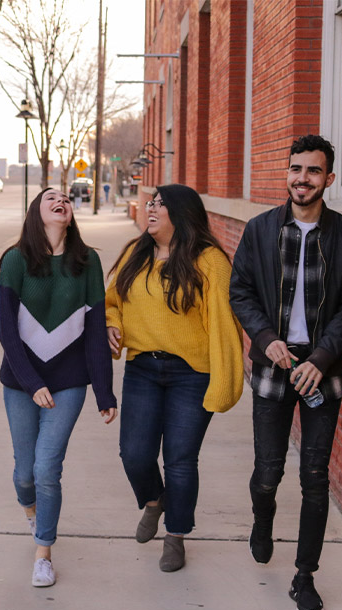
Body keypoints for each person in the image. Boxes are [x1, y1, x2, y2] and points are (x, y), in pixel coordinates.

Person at [230, 135, 342, 610]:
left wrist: (323, 357)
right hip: (274, 363)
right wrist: (265, 337)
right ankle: (262, 519)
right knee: (267, 472)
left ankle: (304, 577)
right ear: (286, 173)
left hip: (321, 369)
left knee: (315, 476)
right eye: (295, 169)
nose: (301, 178)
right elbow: (241, 291)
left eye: (312, 171)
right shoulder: (261, 230)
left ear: (328, 179)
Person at [106, 184, 243, 572]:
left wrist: (224, 382)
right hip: (142, 368)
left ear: (180, 213)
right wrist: (111, 325)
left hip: (192, 374)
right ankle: (154, 501)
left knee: (180, 460)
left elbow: (224, 325)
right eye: (150, 202)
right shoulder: (136, 253)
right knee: (134, 454)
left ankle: (176, 535)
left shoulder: (210, 261)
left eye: (160, 204)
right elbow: (112, 301)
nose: (150, 208)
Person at [0, 188, 117, 587]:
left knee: (47, 469)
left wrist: (104, 391)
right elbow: (7, 333)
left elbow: (97, 332)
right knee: (24, 474)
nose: (60, 200)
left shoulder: (88, 262)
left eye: (66, 197)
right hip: (20, 382)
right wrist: (31, 384)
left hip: (68, 383)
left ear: (70, 214)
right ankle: (33, 512)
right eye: (50, 197)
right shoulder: (15, 260)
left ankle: (43, 551)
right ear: (37, 212)